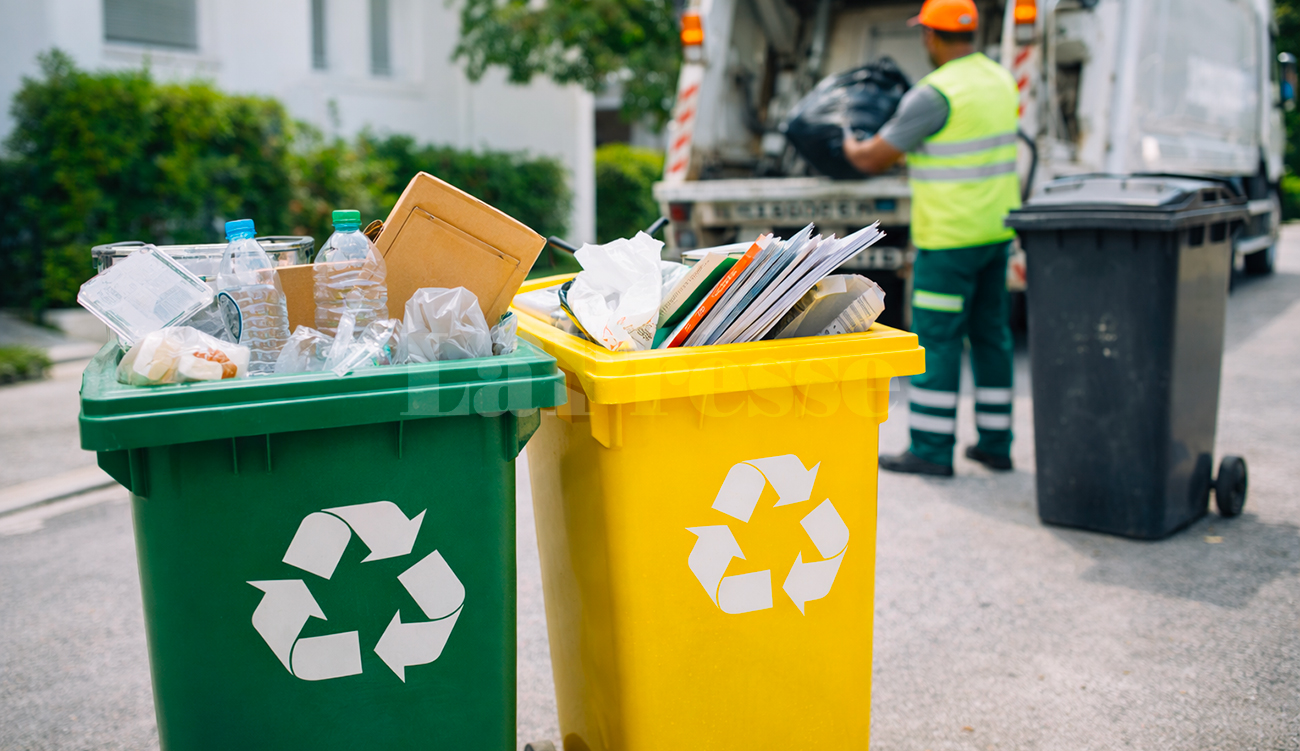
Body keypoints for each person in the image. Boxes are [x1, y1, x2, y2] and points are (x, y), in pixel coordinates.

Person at [843, 0, 1019, 477]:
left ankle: (932, 449)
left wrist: (846, 141)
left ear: (931, 37)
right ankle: (996, 444)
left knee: (938, 340)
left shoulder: (934, 94)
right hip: (995, 233)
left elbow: (871, 159)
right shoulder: (1000, 79)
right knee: (992, 336)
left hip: (949, 240)